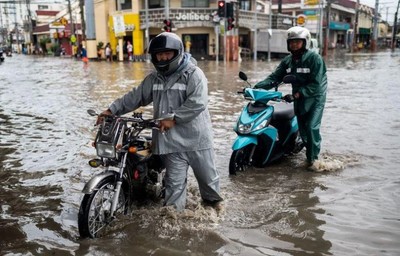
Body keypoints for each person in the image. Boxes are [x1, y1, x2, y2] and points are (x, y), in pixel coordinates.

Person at [97, 32, 223, 211]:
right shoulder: (153, 78)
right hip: (171, 144)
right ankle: (174, 227)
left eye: (167, 53)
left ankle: (215, 215)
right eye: (159, 54)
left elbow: (198, 102)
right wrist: (111, 110)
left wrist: (174, 118)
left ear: (177, 53)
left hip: (197, 141)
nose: (163, 57)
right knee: (174, 193)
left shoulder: (194, 74)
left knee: (209, 187)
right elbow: (136, 96)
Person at [254, 26, 327, 171]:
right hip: (298, 98)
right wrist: (256, 88)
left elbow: (316, 84)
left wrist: (297, 95)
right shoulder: (288, 61)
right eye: (291, 42)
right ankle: (308, 156)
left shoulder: (315, 59)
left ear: (305, 42)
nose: (294, 44)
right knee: (304, 130)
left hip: (315, 97)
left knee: (311, 128)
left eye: (297, 42)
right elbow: (275, 78)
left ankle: (314, 162)